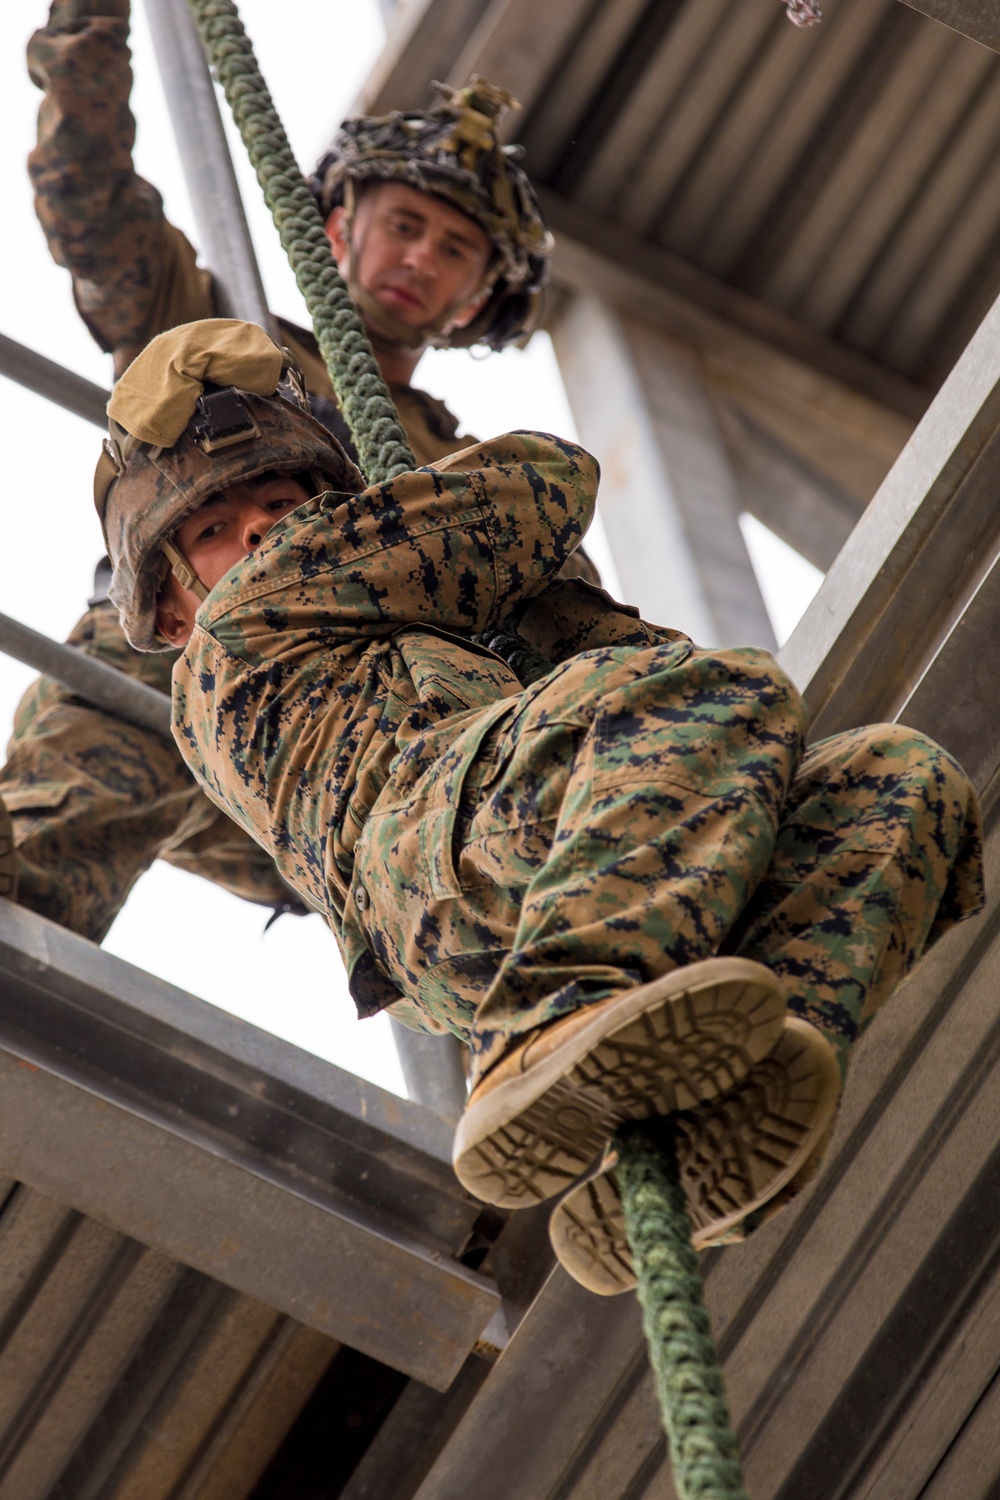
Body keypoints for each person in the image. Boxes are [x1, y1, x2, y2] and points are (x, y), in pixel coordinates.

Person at [93, 319, 985, 1290]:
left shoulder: (404, 619)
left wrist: (529, 613)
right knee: (725, 690)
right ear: (174, 610)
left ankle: (726, 1092)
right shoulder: (244, 627)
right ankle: (548, 1027)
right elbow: (545, 486)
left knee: (896, 780)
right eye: (213, 532)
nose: (260, 531)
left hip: (549, 862)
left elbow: (648, 685)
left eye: (278, 499)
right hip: (452, 864)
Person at [9, 0, 583, 942]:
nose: (419, 261)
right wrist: (90, 22)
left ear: (477, 300)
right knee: (97, 751)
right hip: (179, 683)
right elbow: (91, 199)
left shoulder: (460, 471)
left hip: (350, 754)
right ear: (336, 223)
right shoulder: (221, 350)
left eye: (454, 251)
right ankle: (25, 896)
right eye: (403, 225)